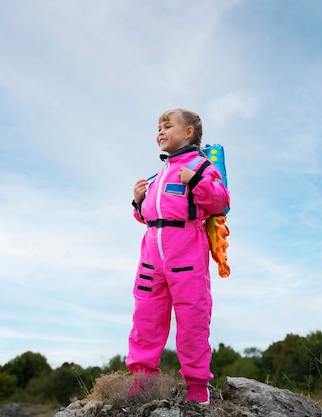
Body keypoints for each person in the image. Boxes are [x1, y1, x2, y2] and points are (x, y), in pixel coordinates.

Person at [126, 108, 230, 405]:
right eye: (158, 127)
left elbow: (220, 200)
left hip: (187, 255)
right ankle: (143, 380)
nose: (160, 131)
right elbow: (149, 216)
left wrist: (195, 182)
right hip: (150, 259)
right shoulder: (157, 175)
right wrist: (137, 202)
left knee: (192, 320)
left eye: (167, 126)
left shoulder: (200, 167)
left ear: (188, 132)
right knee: (146, 318)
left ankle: (197, 383)